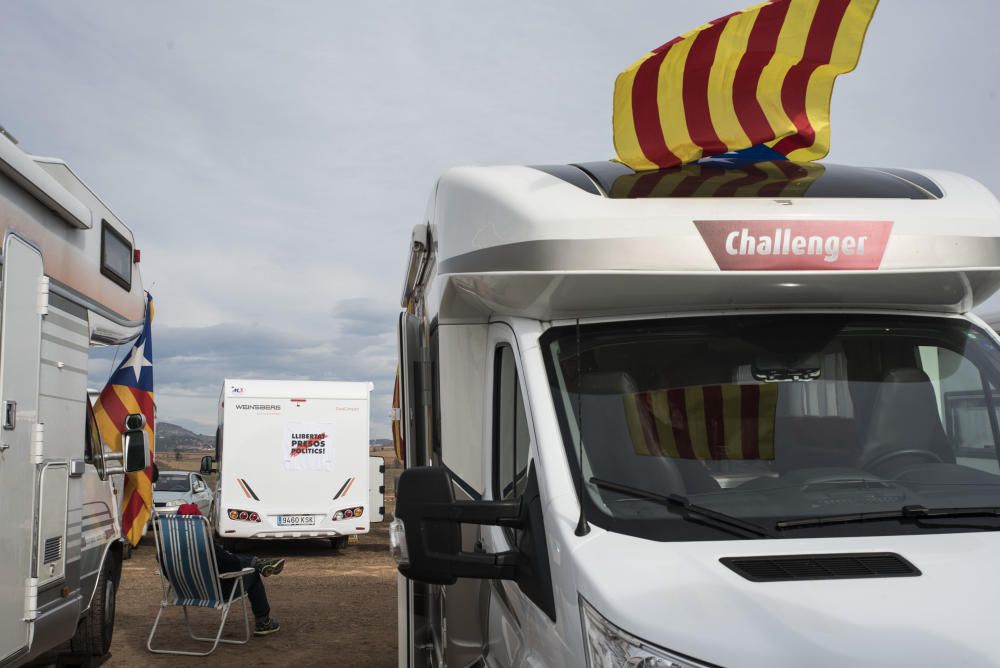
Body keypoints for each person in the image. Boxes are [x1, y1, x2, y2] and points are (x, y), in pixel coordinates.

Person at [175, 503, 283, 636]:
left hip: (184, 591)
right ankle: (263, 622)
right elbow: (233, 566)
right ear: (199, 522)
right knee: (252, 571)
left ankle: (257, 563)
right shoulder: (205, 545)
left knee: (237, 561)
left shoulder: (166, 549)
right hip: (215, 592)